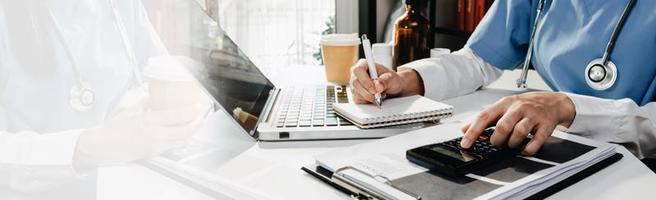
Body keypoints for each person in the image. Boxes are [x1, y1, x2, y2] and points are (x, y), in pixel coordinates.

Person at [351, 0, 656, 162]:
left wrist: (569, 107)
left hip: (637, 164)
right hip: (555, 146)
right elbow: (479, 59)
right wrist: (406, 79)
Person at [0, 0, 210, 195]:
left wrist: (191, 107)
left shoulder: (122, 6)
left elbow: (161, 70)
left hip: (125, 184)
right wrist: (91, 147)